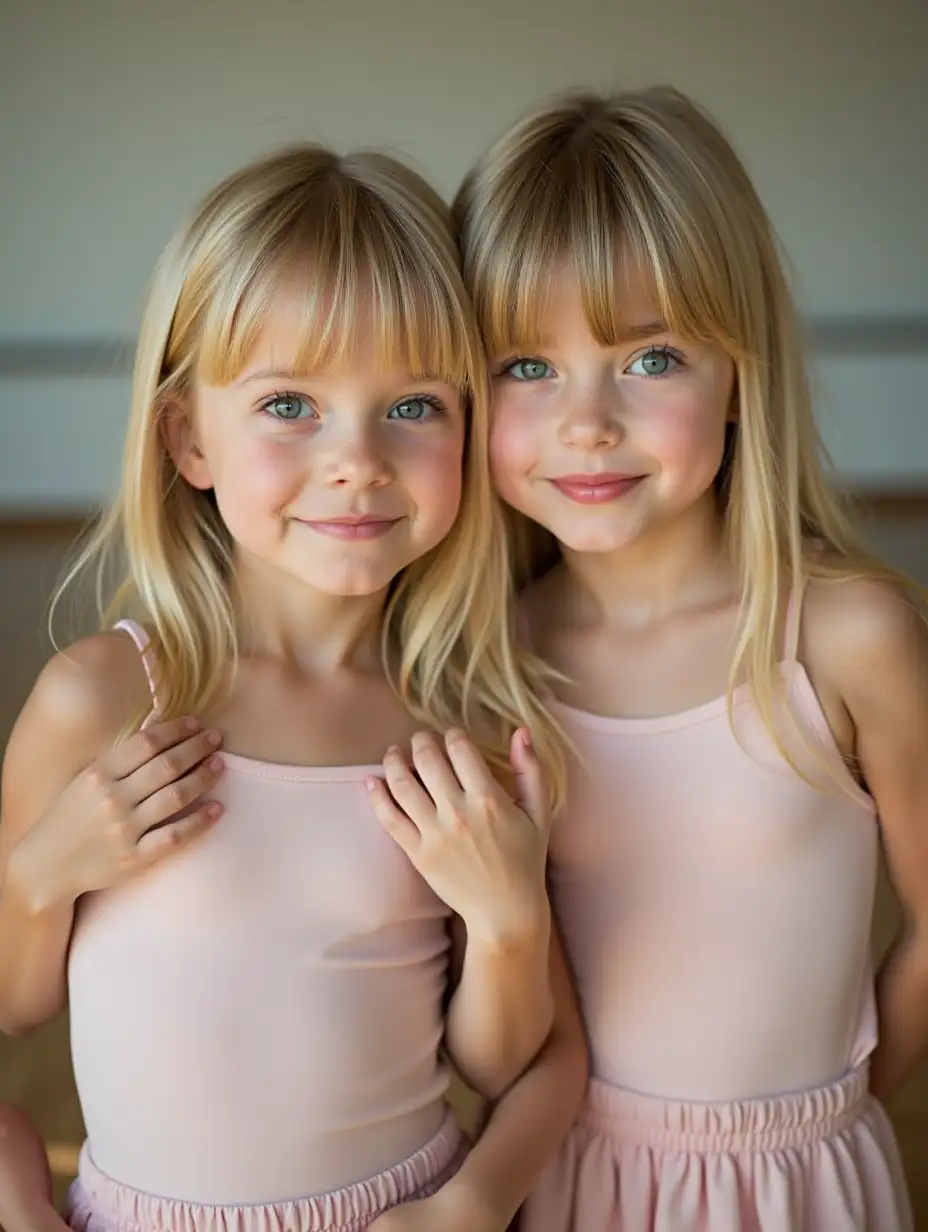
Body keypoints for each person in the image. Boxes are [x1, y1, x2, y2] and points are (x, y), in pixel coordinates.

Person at [0, 143, 586, 1232]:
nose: (356, 458)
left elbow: (521, 1060)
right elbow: (17, 1000)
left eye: (413, 405)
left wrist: (507, 921)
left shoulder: (467, 725)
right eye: (288, 404)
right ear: (188, 437)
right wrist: (41, 877)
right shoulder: (99, 701)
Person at [454, 86, 925, 1230]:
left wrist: (833, 1116)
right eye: (525, 366)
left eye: (650, 356)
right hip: (561, 1178)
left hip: (799, 1179)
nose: (586, 421)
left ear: (738, 370)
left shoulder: (845, 637)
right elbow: (485, 1034)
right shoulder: (485, 666)